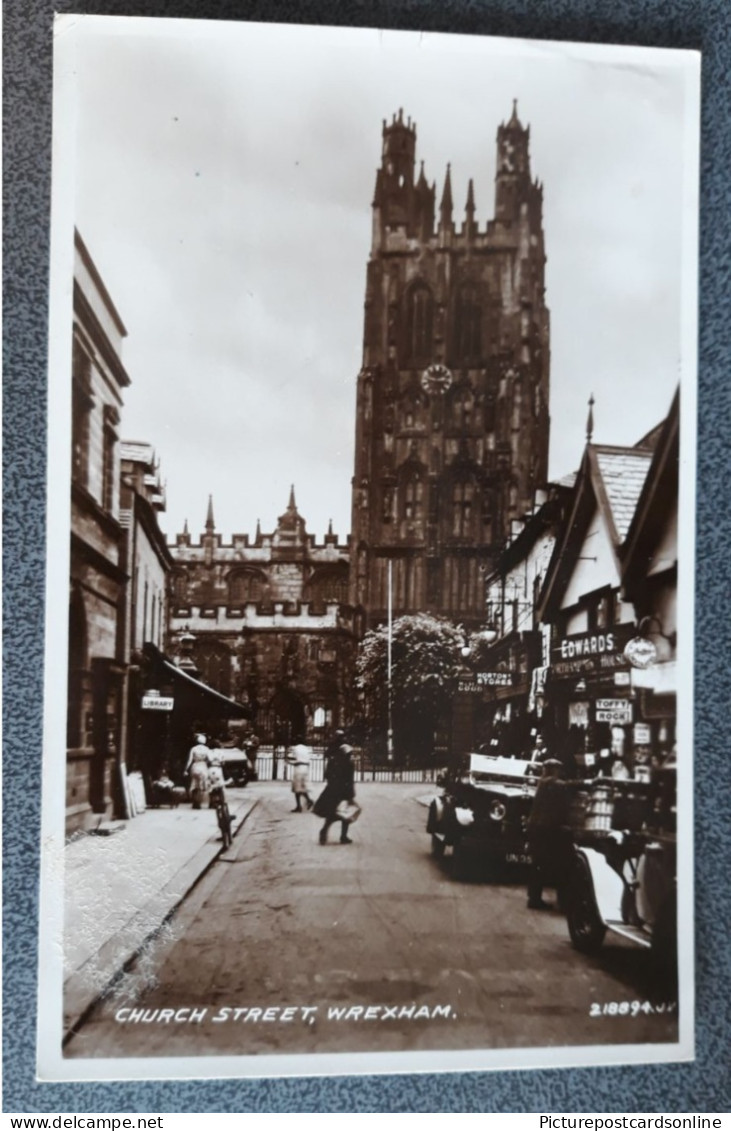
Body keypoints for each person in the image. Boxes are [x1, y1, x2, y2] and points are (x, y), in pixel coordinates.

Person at [525, 759, 573, 910]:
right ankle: (559, 900)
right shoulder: (553, 783)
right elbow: (566, 788)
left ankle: (534, 898)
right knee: (557, 864)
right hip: (547, 830)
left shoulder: (542, 783)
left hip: (537, 829)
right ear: (555, 770)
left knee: (537, 865)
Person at [313, 737, 356, 845]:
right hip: (343, 792)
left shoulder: (332, 762)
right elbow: (349, 781)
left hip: (332, 791)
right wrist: (351, 794)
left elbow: (327, 775)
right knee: (345, 813)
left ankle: (324, 831)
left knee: (331, 813)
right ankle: (343, 836)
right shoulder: (349, 765)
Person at [287, 739, 314, 812]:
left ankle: (299, 806)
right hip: (305, 768)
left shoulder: (295, 748)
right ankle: (308, 800)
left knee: (297, 788)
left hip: (298, 768)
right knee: (302, 787)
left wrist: (289, 762)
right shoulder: (307, 749)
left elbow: (293, 759)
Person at [185, 733, 210, 810]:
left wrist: (186, 769)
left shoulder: (193, 749)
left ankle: (195, 803)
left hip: (195, 766)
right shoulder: (207, 749)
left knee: (194, 784)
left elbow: (190, 760)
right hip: (203, 766)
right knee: (201, 786)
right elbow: (209, 759)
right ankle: (199, 802)